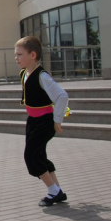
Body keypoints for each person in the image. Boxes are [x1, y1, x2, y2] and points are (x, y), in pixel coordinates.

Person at [14, 36, 70, 207]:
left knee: (31, 156)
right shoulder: (25, 73)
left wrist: (57, 121)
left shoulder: (42, 76)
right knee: (38, 155)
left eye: (20, 54)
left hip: (44, 121)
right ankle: (57, 190)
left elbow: (62, 96)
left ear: (33, 54)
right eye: (15, 55)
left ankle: (53, 191)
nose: (16, 58)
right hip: (33, 120)